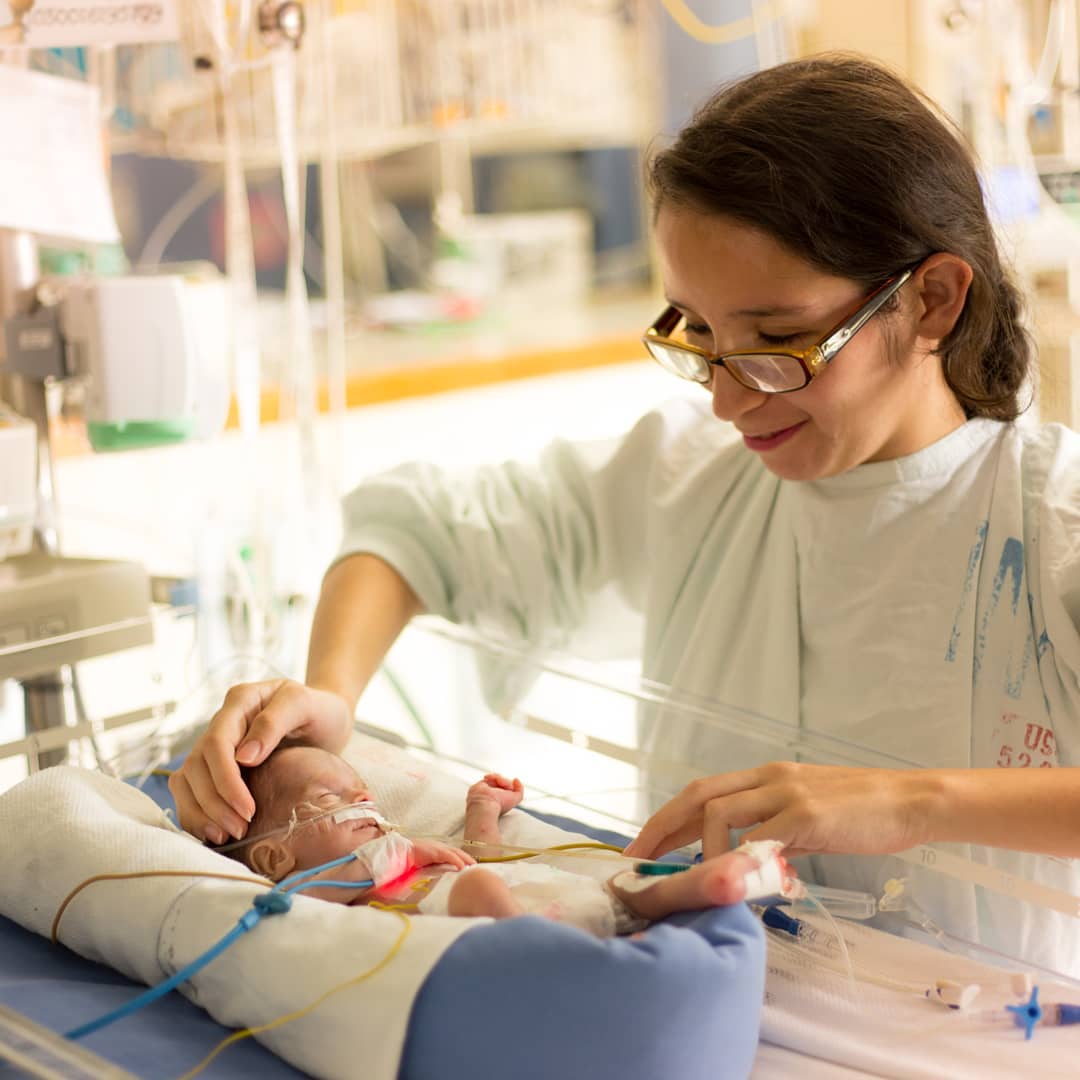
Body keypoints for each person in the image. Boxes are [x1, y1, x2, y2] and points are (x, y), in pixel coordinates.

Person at [172, 54, 1080, 967]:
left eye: (776, 342)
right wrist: (330, 695)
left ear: (932, 299)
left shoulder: (1050, 530)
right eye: (697, 333)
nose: (728, 401)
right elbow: (414, 531)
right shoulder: (689, 476)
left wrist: (911, 803)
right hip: (691, 1014)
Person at [220, 743, 785, 933]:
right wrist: (395, 856)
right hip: (498, 921)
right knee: (478, 892)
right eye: (329, 800)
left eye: (362, 793)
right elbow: (303, 899)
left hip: (549, 897)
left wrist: (481, 807)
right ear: (275, 852)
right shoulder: (315, 892)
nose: (363, 805)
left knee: (627, 887)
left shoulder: (410, 851)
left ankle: (712, 881)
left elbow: (483, 856)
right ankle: (577, 960)